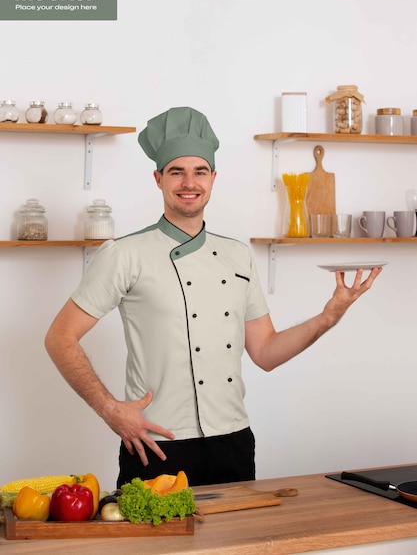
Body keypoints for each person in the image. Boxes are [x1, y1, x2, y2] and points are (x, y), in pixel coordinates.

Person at [45, 106, 382, 488]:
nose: (189, 182)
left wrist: (328, 315)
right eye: (177, 171)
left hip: (233, 442)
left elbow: (266, 352)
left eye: (199, 171)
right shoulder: (124, 254)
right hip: (157, 445)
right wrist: (110, 410)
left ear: (213, 178)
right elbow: (60, 337)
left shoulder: (238, 255)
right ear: (158, 178)